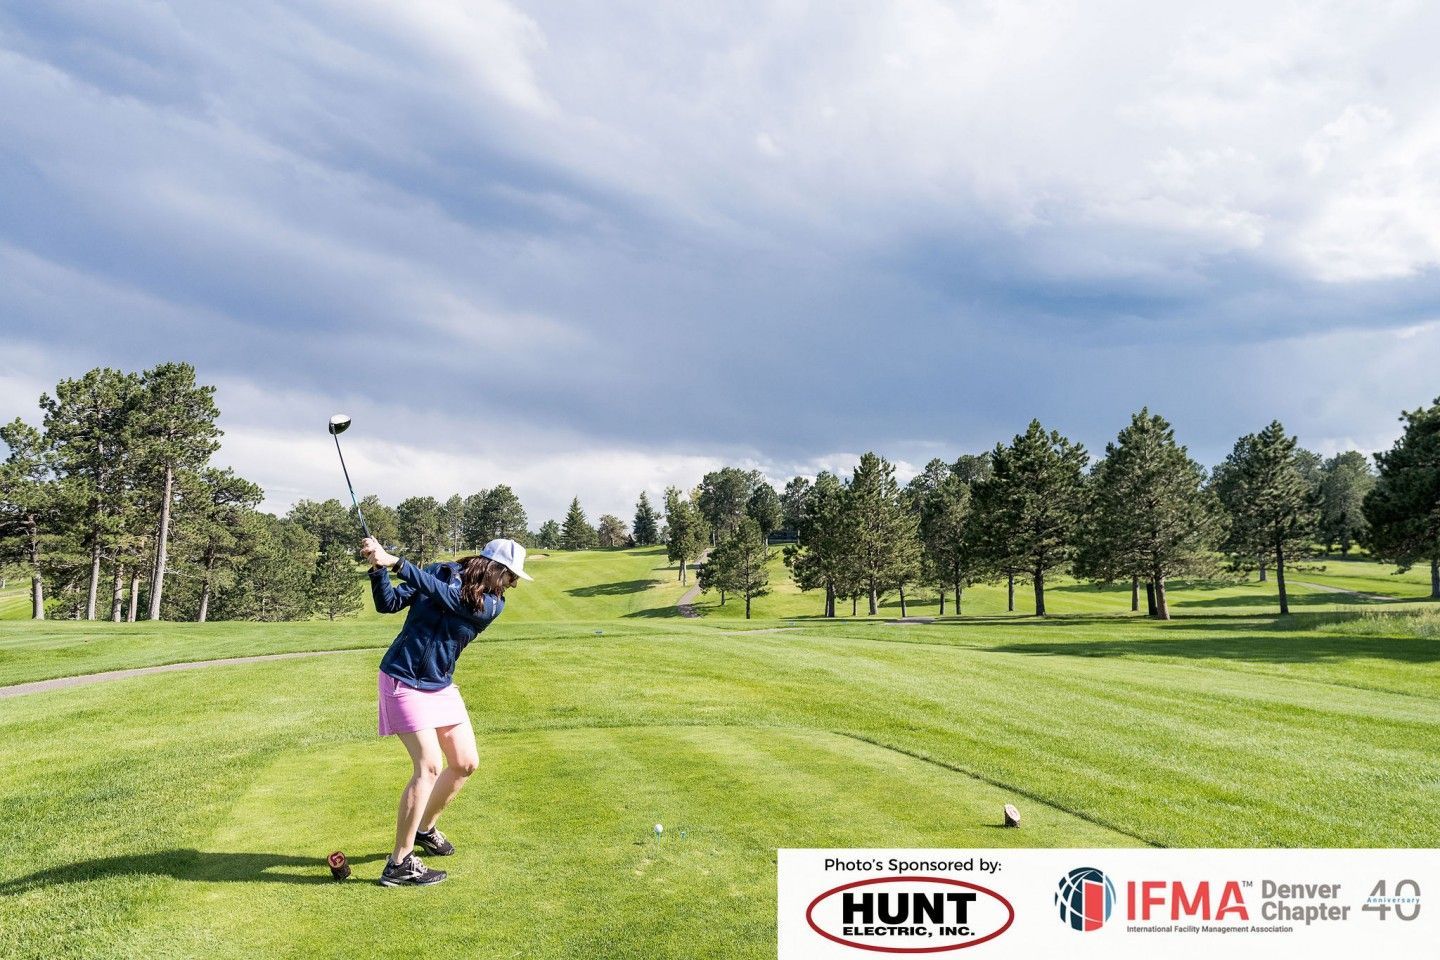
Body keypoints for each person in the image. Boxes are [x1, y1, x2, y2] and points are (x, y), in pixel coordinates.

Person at [361, 535, 532, 887]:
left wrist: (396, 562)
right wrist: (379, 569)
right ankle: (399, 864)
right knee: (428, 766)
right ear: (493, 568)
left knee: (466, 762)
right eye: (511, 575)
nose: (512, 583)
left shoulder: (492, 604)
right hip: (402, 679)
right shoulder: (440, 572)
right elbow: (389, 603)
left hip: (440, 684)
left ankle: (424, 829)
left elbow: (450, 599)